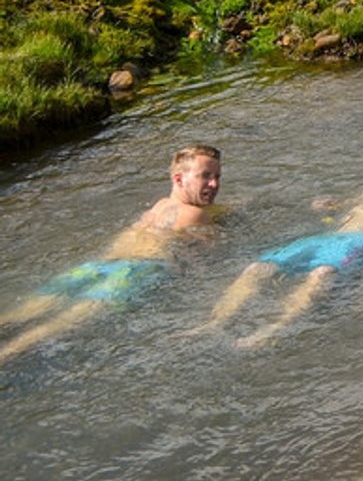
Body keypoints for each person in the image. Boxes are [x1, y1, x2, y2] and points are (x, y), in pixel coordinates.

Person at [206, 134, 363, 347]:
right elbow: (345, 206)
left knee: (322, 274)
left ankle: (273, 328)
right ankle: (213, 324)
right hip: (328, 239)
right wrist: (332, 205)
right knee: (257, 268)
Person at [0, 145, 223, 363]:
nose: (214, 184)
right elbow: (206, 259)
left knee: (24, 312)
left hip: (97, 265)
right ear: (178, 179)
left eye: (217, 176)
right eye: (205, 176)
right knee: (61, 323)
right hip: (132, 273)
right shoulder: (196, 214)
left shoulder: (159, 206)